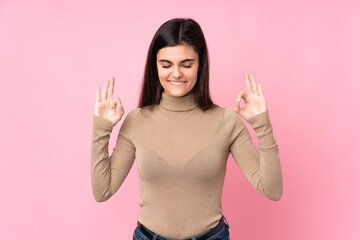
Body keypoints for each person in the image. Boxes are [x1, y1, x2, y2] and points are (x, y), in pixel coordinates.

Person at [91, 18, 283, 240]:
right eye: (166, 65)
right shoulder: (137, 121)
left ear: (200, 64)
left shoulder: (226, 122)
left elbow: (272, 189)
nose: (176, 74)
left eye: (186, 64)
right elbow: (102, 191)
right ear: (155, 66)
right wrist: (101, 130)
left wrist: (262, 125)